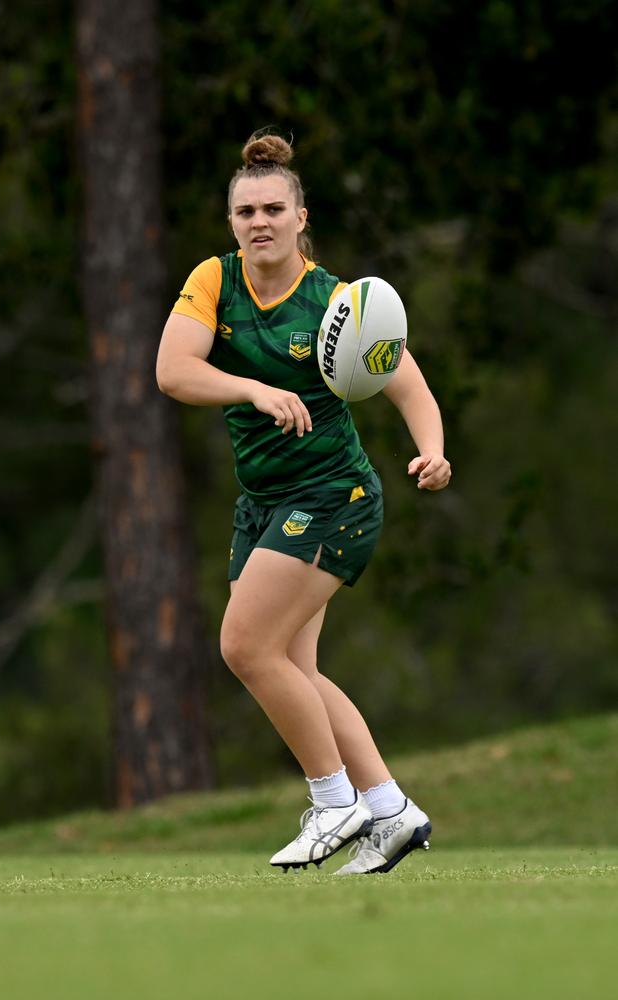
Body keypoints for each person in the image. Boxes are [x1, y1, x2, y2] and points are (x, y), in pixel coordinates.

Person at [156, 131, 451, 874]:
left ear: (300, 217)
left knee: (244, 646)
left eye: (273, 209)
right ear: (232, 221)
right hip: (262, 501)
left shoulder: (333, 300)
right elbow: (171, 371)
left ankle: (334, 801)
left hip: (333, 497)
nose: (259, 221)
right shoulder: (214, 282)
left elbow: (406, 380)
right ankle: (390, 810)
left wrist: (433, 448)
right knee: (294, 668)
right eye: (246, 210)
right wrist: (253, 387)